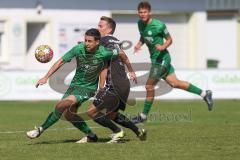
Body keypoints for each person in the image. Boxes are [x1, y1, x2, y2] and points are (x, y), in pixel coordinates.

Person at [26, 28, 120, 142]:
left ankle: (40, 130)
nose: (86, 43)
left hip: (88, 88)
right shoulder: (78, 49)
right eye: (85, 40)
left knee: (62, 105)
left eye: (90, 41)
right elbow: (61, 61)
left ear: (97, 42)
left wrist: (127, 71)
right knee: (68, 115)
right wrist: (46, 77)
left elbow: (119, 53)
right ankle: (91, 135)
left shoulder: (104, 52)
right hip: (74, 86)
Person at [131, 1, 213, 124]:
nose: (142, 14)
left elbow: (170, 40)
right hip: (155, 60)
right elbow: (143, 36)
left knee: (149, 86)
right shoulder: (140, 24)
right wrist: (139, 44)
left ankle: (143, 116)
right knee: (175, 83)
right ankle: (204, 94)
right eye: (140, 12)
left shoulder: (159, 25)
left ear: (150, 12)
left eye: (145, 12)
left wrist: (163, 46)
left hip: (162, 59)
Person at [86, 16, 147, 143]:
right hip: (124, 84)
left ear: (109, 29)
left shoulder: (103, 40)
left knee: (92, 112)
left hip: (113, 84)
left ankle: (118, 132)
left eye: (100, 26)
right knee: (111, 114)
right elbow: (123, 56)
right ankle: (138, 131)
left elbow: (104, 67)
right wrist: (130, 70)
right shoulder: (117, 41)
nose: (98, 28)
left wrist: (101, 87)